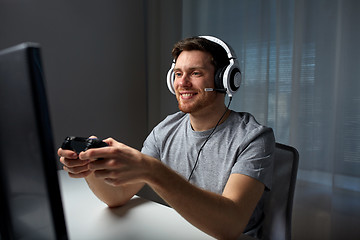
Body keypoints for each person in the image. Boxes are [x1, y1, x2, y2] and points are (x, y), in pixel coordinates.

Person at [58, 36, 275, 240]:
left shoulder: (254, 138)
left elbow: (230, 225)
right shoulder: (166, 129)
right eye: (178, 74)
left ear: (224, 79)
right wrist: (90, 166)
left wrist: (153, 171)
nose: (183, 83)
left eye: (196, 73)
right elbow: (118, 195)